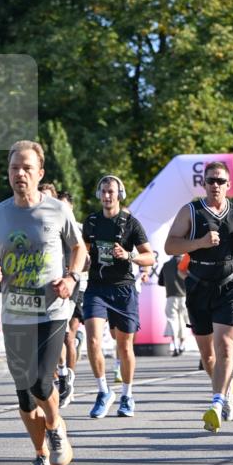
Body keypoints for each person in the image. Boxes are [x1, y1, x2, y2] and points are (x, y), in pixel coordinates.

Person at [0, 140, 87, 465]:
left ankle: (56, 427)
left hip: (53, 308)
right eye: (15, 168)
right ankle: (41, 457)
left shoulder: (58, 210)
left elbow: (79, 247)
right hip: (15, 310)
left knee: (41, 383)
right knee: (24, 396)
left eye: (27, 168)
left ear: (40, 173)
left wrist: (72, 277)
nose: (20, 174)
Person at [164, 160, 233, 433]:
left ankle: (217, 403)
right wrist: (200, 243)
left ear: (229, 186)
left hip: (230, 284)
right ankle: (227, 387)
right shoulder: (191, 211)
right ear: (204, 184)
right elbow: (170, 245)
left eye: (220, 181)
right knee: (208, 356)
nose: (215, 185)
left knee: (225, 346)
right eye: (211, 181)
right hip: (198, 285)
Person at [83, 174, 154, 418]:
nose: (106, 196)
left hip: (123, 289)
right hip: (96, 288)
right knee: (93, 340)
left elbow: (150, 256)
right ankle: (103, 391)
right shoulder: (91, 222)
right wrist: (77, 266)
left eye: (111, 191)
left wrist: (129, 255)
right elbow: (83, 253)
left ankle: (127, 394)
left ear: (119, 194)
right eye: (103, 191)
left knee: (124, 347)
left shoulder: (131, 223)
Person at [56, 191, 88, 407]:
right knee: (63, 335)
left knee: (67, 334)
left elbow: (87, 259)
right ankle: (64, 377)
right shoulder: (52, 226)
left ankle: (68, 378)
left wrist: (74, 271)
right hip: (57, 285)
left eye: (65, 207)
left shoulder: (78, 229)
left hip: (78, 285)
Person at [158, 254, 189, 356]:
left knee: (172, 321)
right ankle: (182, 345)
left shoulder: (166, 265)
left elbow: (160, 282)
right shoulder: (186, 263)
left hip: (171, 296)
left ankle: (175, 345)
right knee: (185, 321)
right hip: (185, 296)